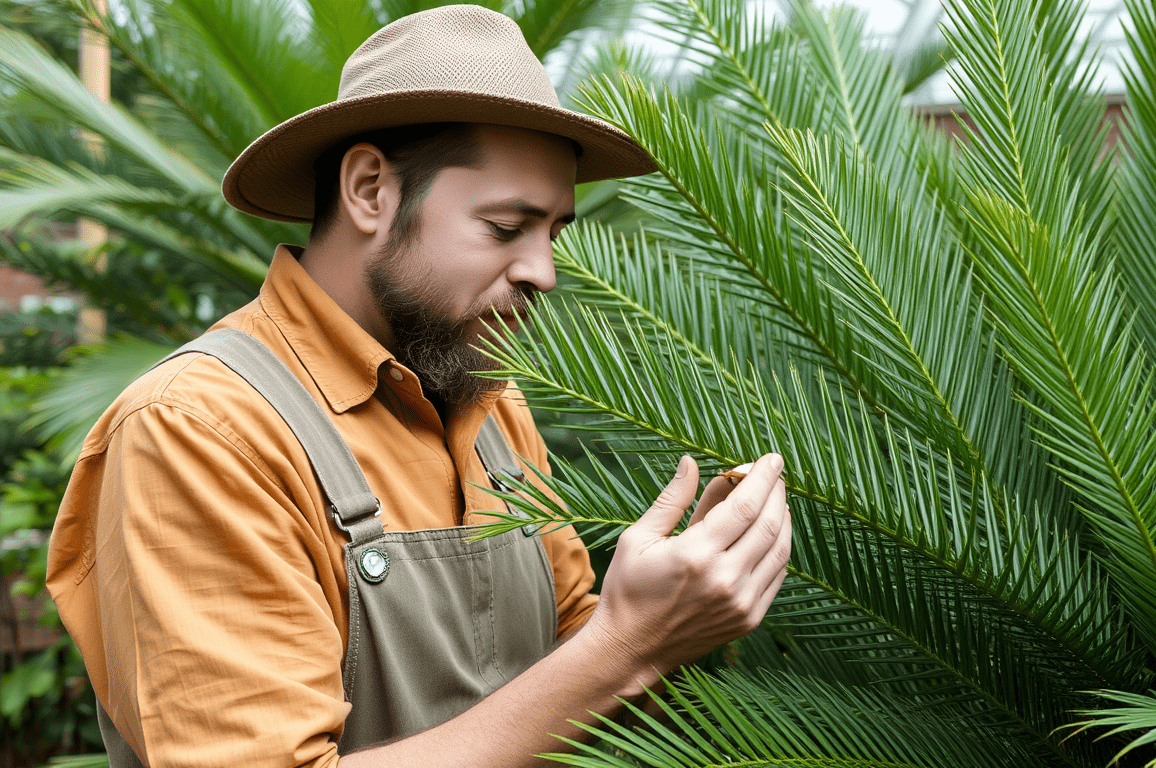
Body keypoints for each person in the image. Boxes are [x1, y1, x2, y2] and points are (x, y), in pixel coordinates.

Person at [45, 6, 792, 768]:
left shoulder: (493, 406)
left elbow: (578, 676)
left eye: (553, 233)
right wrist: (626, 645)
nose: (545, 272)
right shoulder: (198, 430)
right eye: (507, 228)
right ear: (370, 189)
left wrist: (680, 617)